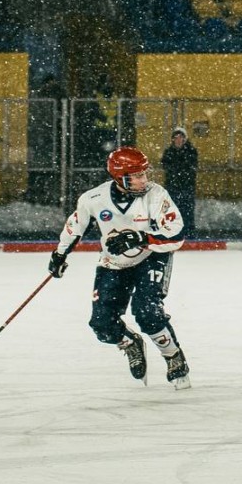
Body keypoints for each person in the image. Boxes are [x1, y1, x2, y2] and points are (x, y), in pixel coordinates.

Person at [47, 146, 191, 389]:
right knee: (102, 324)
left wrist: (142, 238)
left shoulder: (156, 195)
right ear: (119, 177)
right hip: (113, 264)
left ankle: (172, 355)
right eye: (136, 176)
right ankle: (130, 343)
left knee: (147, 312)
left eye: (144, 173)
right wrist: (60, 254)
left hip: (151, 258)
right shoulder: (93, 199)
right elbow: (75, 226)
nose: (143, 180)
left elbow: (176, 236)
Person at [161, 126, 199, 236]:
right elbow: (167, 166)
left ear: (184, 139)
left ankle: (188, 232)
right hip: (173, 186)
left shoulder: (191, 151)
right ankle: (174, 232)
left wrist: (179, 170)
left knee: (187, 209)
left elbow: (190, 168)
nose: (178, 140)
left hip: (187, 186)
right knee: (173, 210)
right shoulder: (169, 152)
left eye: (180, 137)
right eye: (176, 137)